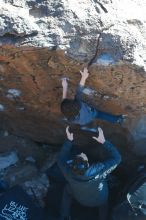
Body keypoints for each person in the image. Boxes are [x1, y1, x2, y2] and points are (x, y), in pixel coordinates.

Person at [57, 126, 122, 220]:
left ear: (72, 165)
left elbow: (60, 159)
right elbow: (117, 158)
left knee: (67, 189)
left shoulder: (68, 172)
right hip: (100, 200)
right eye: (82, 156)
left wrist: (69, 141)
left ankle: (64, 216)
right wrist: (104, 141)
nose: (82, 153)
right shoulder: (99, 170)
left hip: (80, 199)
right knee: (104, 203)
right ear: (88, 164)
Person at [61, 68, 125, 126]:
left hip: (83, 121)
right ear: (75, 103)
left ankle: (118, 119)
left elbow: (64, 101)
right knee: (97, 113)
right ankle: (117, 119)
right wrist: (84, 77)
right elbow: (79, 91)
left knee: (98, 115)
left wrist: (64, 87)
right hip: (90, 114)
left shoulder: (68, 114)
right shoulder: (78, 102)